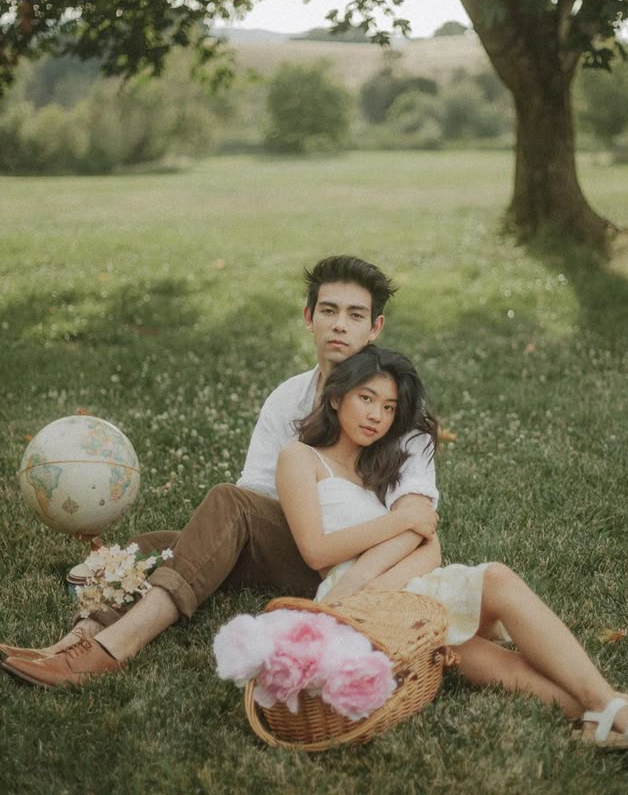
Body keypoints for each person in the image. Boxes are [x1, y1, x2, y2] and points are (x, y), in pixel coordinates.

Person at [0, 257, 440, 688]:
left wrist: (356, 588)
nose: (339, 325)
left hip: (340, 562)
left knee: (226, 507)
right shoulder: (287, 398)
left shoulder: (396, 413)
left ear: (375, 328)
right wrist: (219, 540)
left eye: (355, 314)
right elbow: (258, 494)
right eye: (329, 310)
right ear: (310, 317)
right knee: (154, 547)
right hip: (291, 543)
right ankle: (73, 641)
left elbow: (417, 522)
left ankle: (115, 647)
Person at [274, 345, 628, 753]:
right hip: (349, 604)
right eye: (366, 398)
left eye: (389, 407)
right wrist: (395, 533)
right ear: (336, 398)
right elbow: (316, 551)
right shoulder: (301, 458)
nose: (376, 415)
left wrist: (399, 567)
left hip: (397, 591)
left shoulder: (381, 469)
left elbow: (428, 543)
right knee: (494, 577)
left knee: (497, 665)